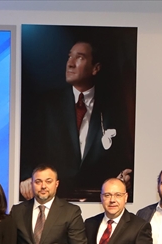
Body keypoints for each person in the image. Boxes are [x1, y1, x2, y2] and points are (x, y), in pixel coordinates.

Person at [21, 39, 133, 201]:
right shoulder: (48, 104)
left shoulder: (112, 106)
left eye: (79, 57)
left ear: (95, 68)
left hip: (97, 198)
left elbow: (122, 154)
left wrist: (124, 175)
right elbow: (29, 149)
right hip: (56, 199)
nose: (70, 64)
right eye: (69, 57)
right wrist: (26, 176)